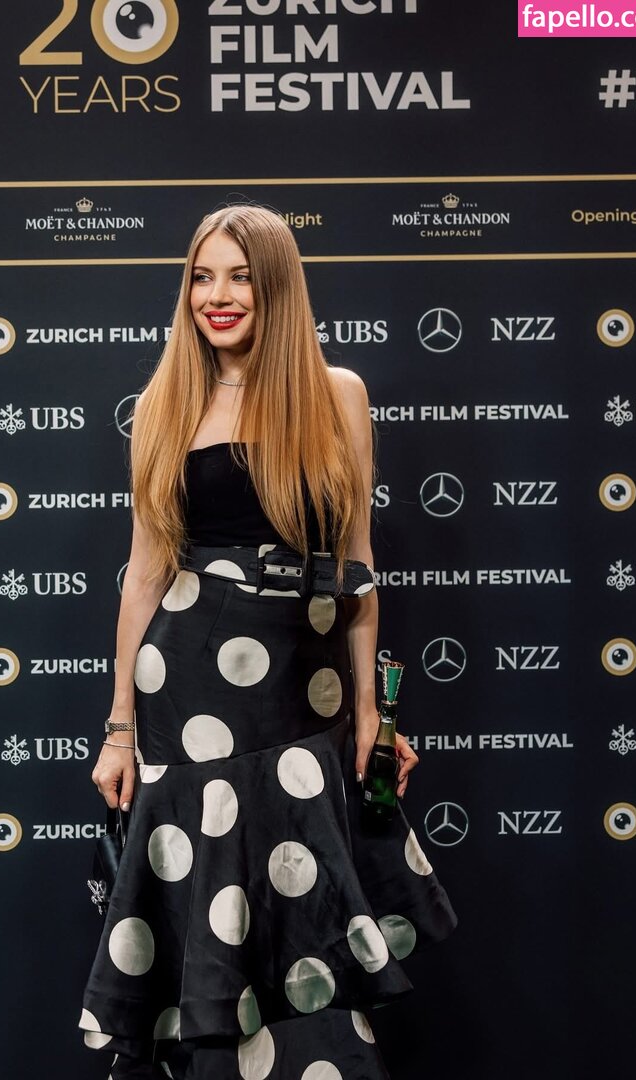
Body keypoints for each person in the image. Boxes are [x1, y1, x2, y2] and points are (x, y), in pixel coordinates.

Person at [79, 204, 457, 1079]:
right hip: (189, 697)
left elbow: (356, 565)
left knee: (301, 907)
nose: (218, 296)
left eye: (241, 277)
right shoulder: (165, 404)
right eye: (202, 277)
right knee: (211, 913)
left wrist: (371, 715)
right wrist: (120, 728)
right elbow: (144, 574)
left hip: (302, 699)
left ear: (277, 286)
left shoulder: (338, 395)